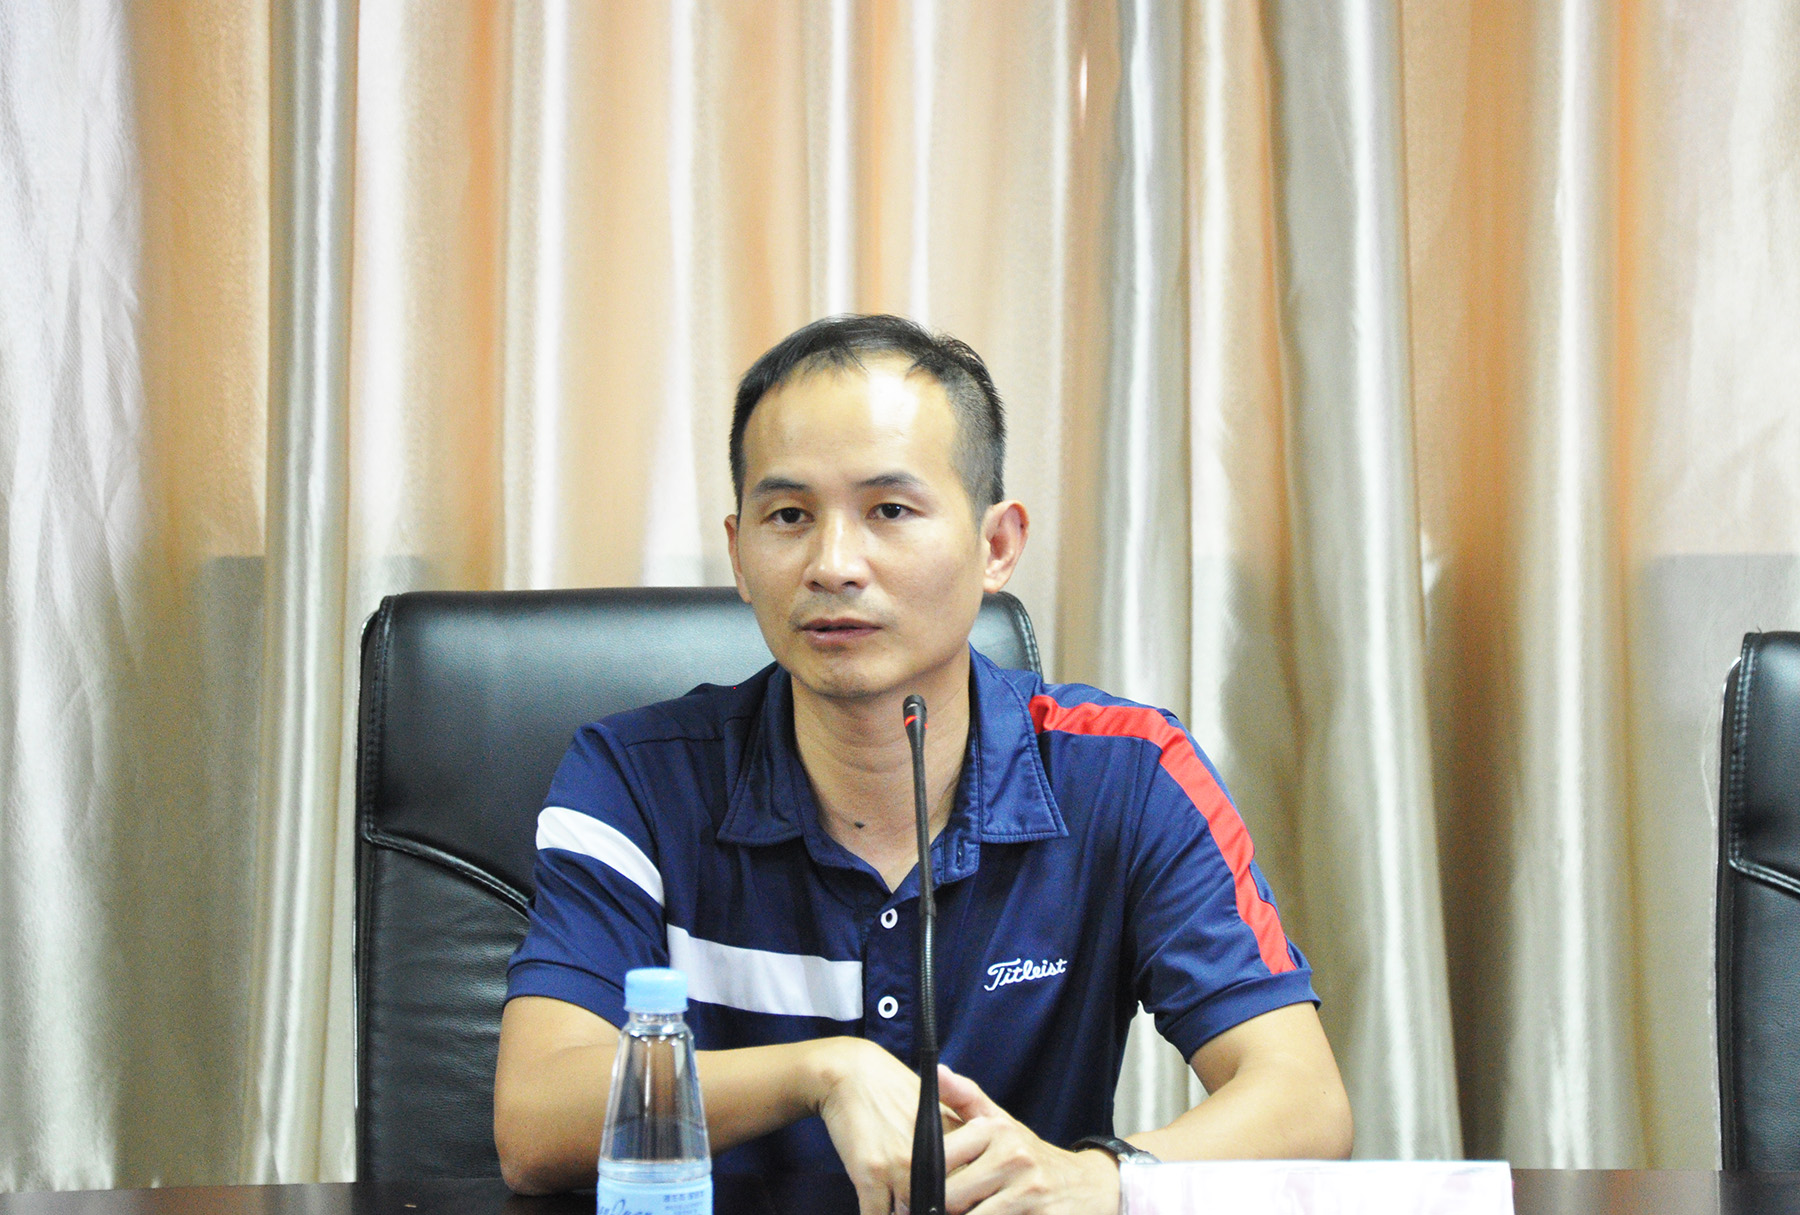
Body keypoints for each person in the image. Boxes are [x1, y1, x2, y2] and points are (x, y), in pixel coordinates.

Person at [494, 315, 1353, 1213]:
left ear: (997, 546)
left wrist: (1101, 1178)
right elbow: (533, 1118)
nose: (833, 564)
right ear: (740, 552)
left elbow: (1303, 1099)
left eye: (890, 511)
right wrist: (823, 1072)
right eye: (789, 516)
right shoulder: (632, 777)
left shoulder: (1127, 772)